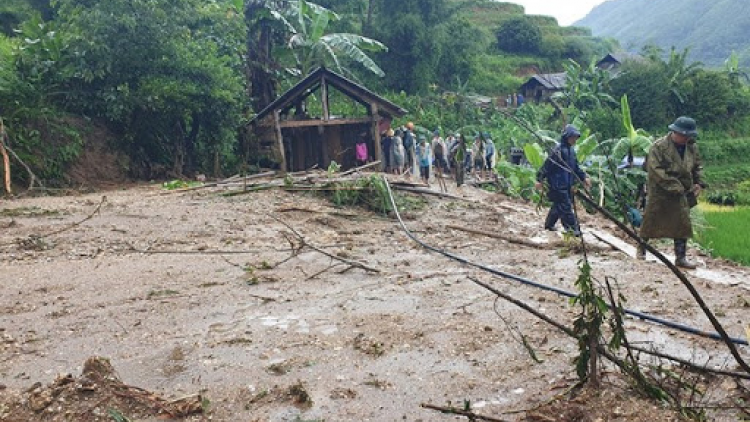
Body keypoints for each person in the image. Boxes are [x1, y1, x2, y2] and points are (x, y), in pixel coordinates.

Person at [637, 116, 706, 269]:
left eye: (688, 135)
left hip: (682, 192)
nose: (685, 138)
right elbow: (655, 170)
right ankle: (641, 249)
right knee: (650, 220)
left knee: (682, 223)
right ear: (674, 132)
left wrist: (698, 183)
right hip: (661, 191)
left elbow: (697, 167)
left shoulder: (692, 147)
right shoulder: (659, 147)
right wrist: (674, 186)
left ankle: (680, 257)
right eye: (683, 135)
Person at [535, 124, 591, 236]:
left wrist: (584, 177)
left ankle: (549, 225)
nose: (574, 139)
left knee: (558, 206)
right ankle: (573, 230)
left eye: (576, 137)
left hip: (567, 184)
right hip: (557, 185)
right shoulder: (558, 151)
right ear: (567, 137)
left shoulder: (571, 151)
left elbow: (575, 167)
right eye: (573, 137)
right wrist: (539, 179)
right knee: (566, 208)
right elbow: (547, 165)